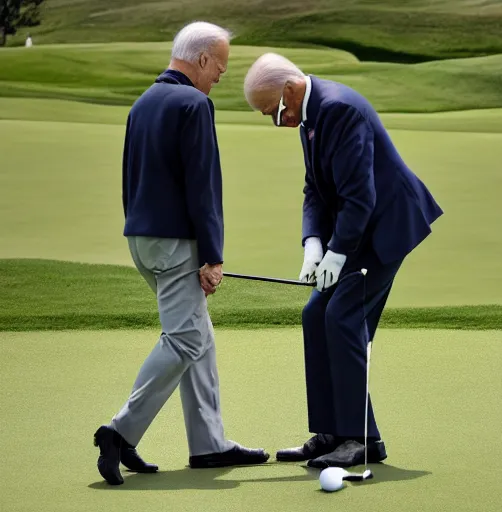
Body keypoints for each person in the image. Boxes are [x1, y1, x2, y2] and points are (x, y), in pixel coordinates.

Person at [243, 53, 443, 469]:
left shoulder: (339, 109)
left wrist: (337, 252)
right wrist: (313, 243)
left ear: (290, 90)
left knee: (343, 318)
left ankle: (362, 438)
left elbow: (361, 197)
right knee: (316, 315)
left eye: (274, 111)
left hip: (385, 229)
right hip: (356, 232)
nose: (276, 121)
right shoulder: (310, 114)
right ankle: (331, 431)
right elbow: (314, 187)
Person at [93, 22, 269, 486]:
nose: (220, 78)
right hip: (176, 245)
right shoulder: (194, 103)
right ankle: (120, 431)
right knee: (186, 339)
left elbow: (133, 178)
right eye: (221, 69)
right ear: (203, 59)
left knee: (198, 333)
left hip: (142, 239)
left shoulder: (143, 102)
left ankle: (209, 444)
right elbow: (203, 187)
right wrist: (213, 256)